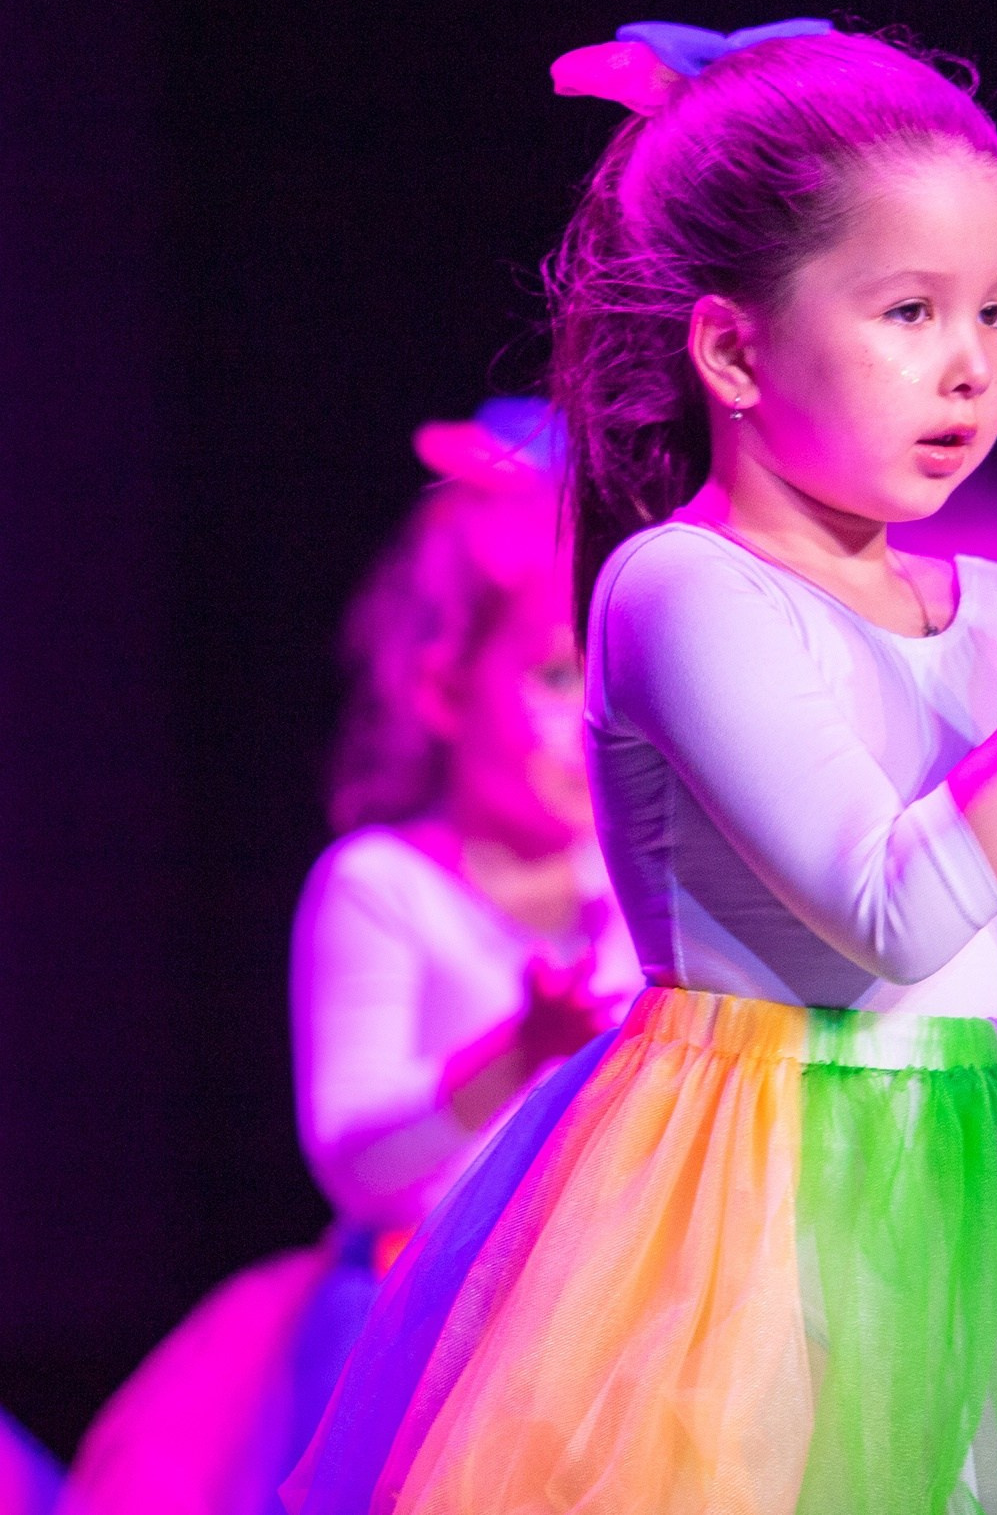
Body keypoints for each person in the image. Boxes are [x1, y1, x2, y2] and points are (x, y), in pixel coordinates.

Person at [288, 19, 997, 1513]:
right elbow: (890, 914)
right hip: (741, 1207)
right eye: (909, 311)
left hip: (993, 1170)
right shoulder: (679, 589)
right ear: (733, 348)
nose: (968, 365)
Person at [64, 400, 639, 1515]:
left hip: (589, 1329)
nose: (587, 725)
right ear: (443, 688)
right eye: (554, 681)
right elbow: (357, 1163)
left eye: (607, 687)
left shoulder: (626, 893)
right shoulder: (382, 888)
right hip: (408, 1335)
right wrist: (514, 1054)